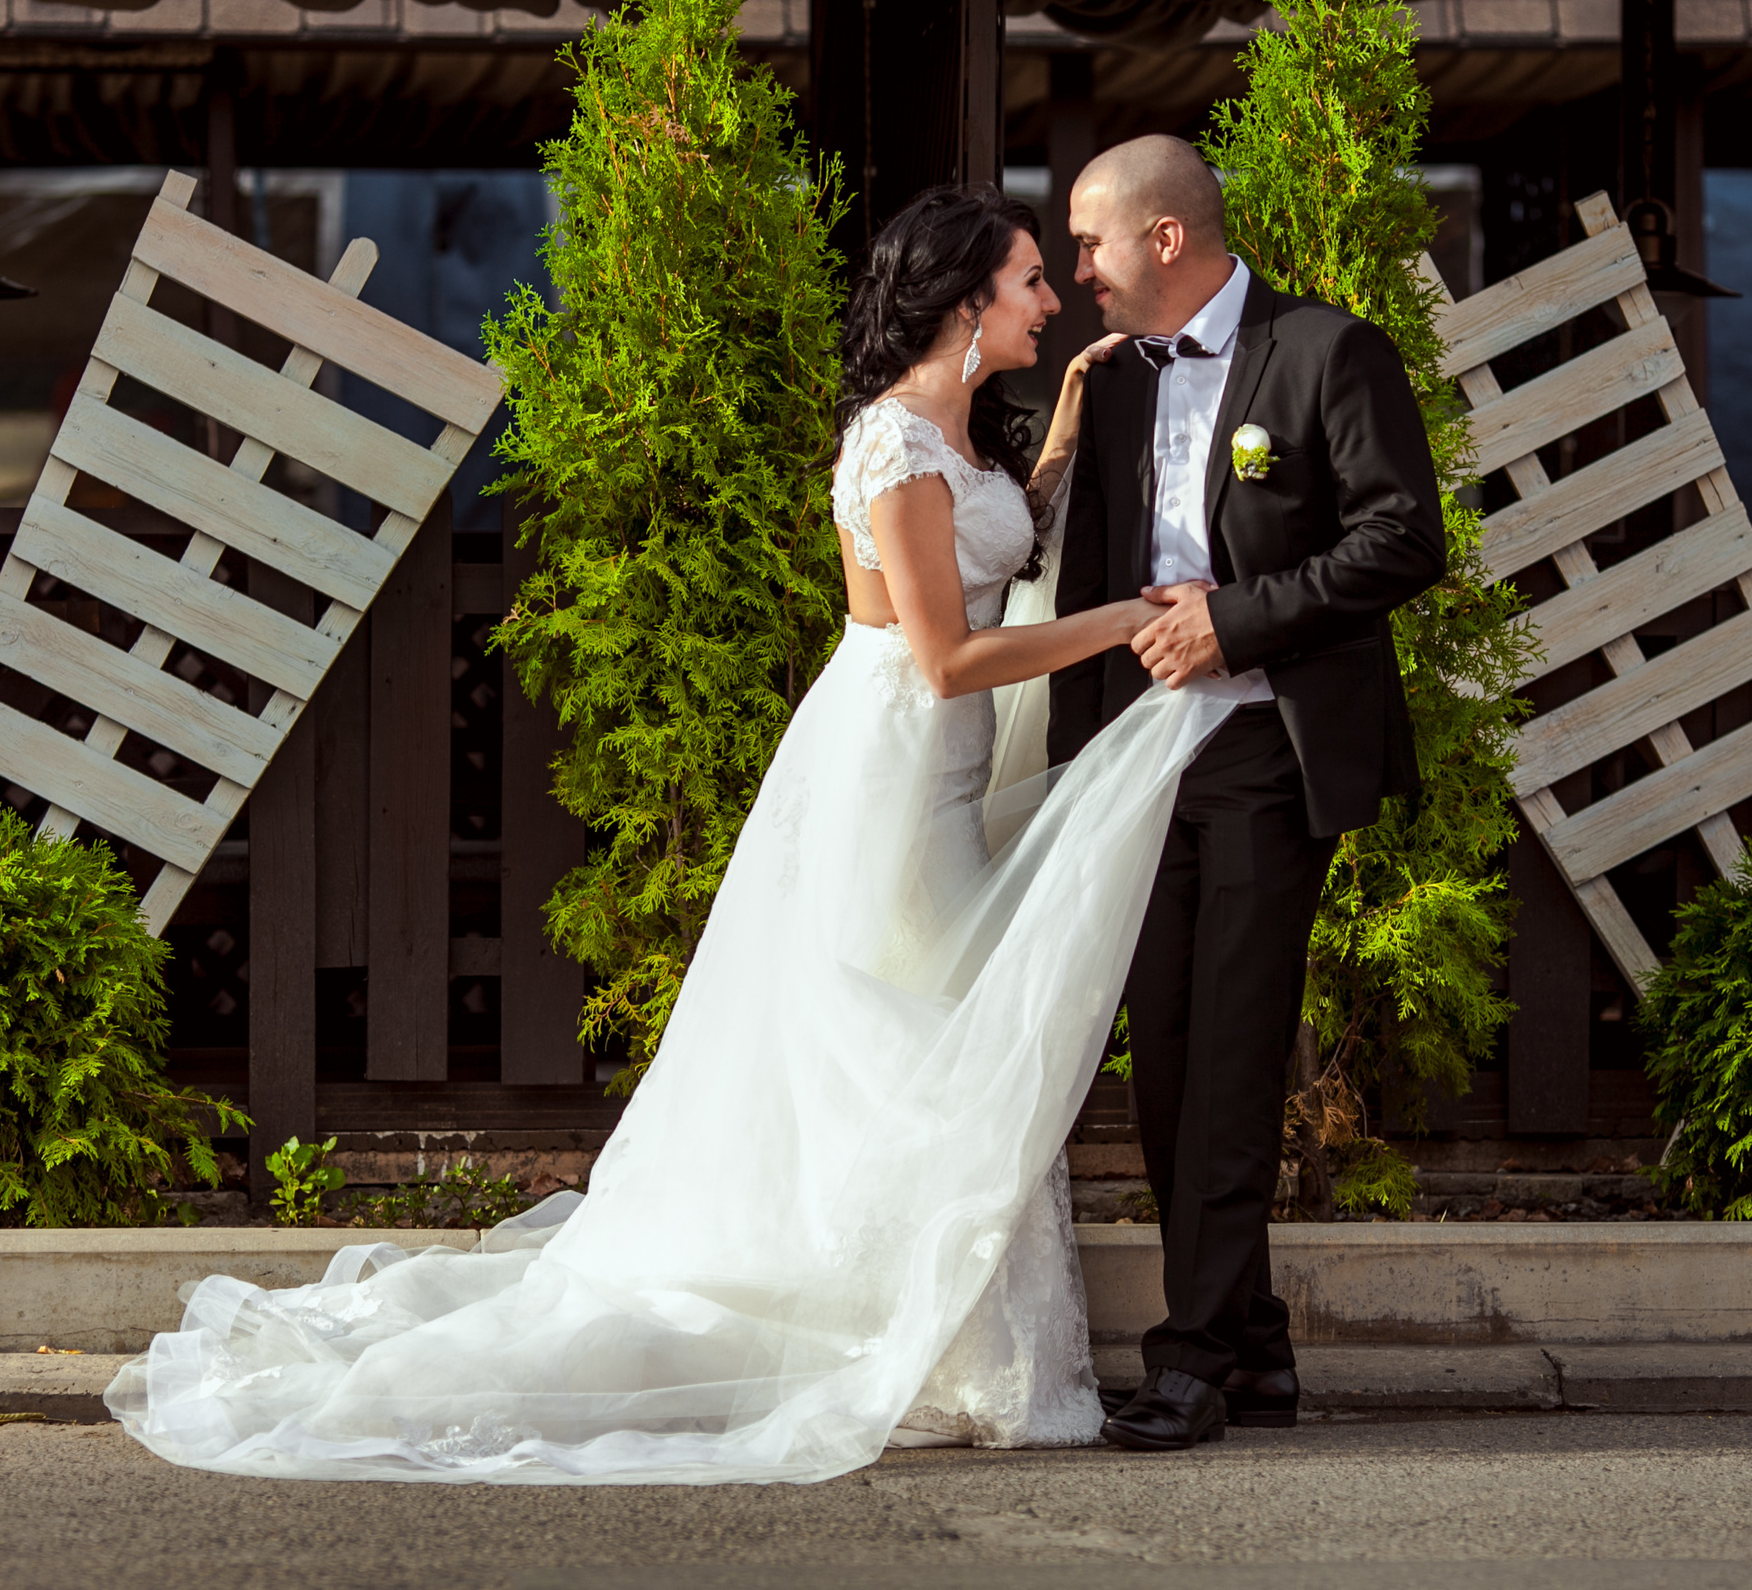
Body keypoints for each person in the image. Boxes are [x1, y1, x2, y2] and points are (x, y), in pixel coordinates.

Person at [106, 184, 1254, 1483]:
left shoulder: (961, 440)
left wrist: (1069, 421)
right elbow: (943, 659)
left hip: (943, 774)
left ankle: (942, 1341)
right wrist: (1128, 623)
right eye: (1031, 281)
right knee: (896, 1029)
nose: (1052, 300)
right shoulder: (890, 446)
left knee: (929, 1021)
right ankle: (861, 1323)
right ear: (962, 301)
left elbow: (1008, 533)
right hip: (891, 768)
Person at [1048, 136, 1448, 1452]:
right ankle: (1259, 1346)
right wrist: (1068, 775)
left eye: (1090, 240)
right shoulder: (1110, 384)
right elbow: (1088, 574)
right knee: (1165, 1056)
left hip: (1268, 750)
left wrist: (1243, 622)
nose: (1077, 267)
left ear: (1166, 238)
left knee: (1225, 1051)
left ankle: (1194, 1360)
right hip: (1138, 758)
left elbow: (1403, 538)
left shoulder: (1328, 353)